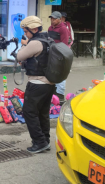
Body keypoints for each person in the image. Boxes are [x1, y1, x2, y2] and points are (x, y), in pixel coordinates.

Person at [16, 16, 56, 153]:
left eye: (26, 31)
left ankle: (39, 142)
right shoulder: (49, 40)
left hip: (37, 83)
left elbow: (19, 56)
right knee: (43, 113)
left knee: (29, 112)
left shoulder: (35, 43)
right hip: (49, 84)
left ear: (33, 29)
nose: (25, 34)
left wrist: (24, 44)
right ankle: (45, 140)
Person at [48, 11, 69, 102]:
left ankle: (60, 97)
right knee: (52, 74)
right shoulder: (50, 28)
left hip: (60, 55)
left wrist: (60, 56)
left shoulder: (63, 29)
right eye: (51, 19)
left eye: (54, 19)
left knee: (60, 75)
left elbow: (64, 44)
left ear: (60, 19)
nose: (52, 21)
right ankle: (53, 96)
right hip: (51, 55)